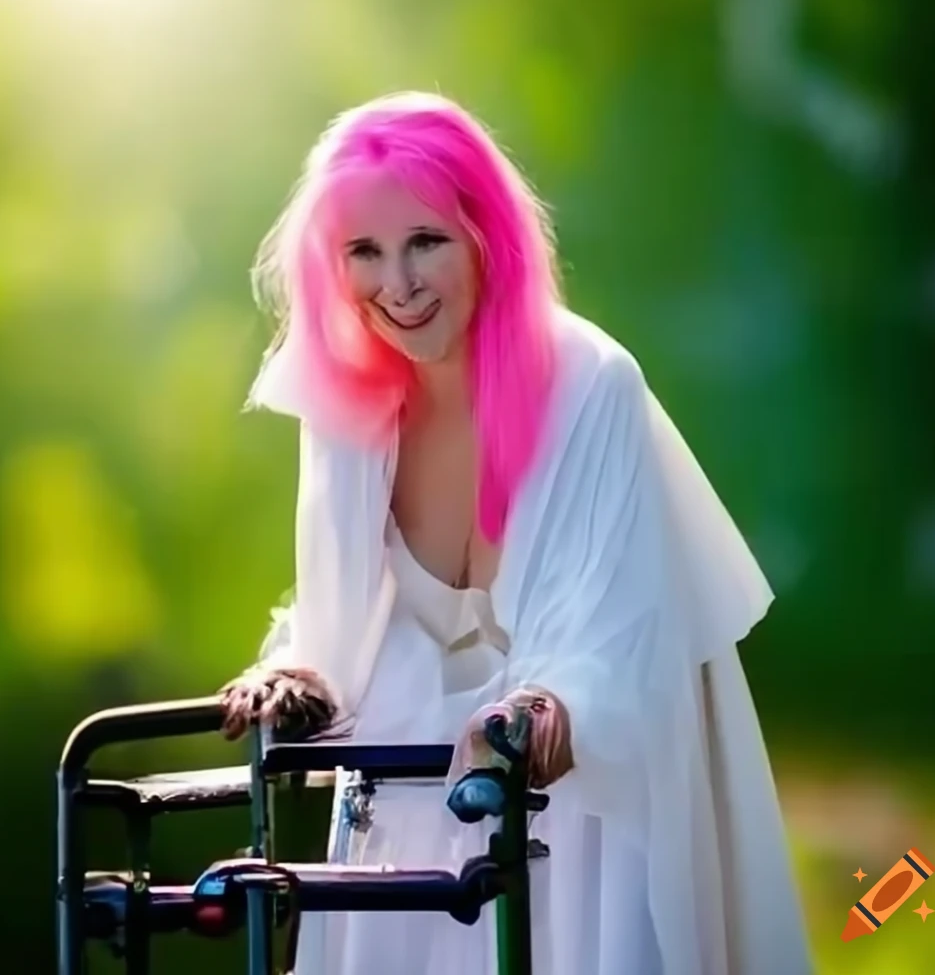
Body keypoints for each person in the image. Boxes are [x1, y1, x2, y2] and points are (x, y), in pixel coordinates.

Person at [218, 91, 812, 975]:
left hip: (574, 815)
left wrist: (541, 714)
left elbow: (613, 633)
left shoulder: (591, 383)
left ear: (485, 234)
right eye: (364, 253)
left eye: (426, 241)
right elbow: (342, 623)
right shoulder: (346, 406)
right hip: (407, 817)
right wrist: (297, 670)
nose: (398, 284)